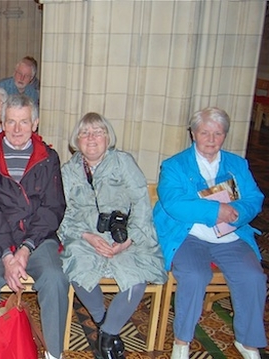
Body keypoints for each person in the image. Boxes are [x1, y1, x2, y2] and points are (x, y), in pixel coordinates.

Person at [153, 107, 266, 359]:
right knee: (194, 275)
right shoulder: (174, 165)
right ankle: (182, 341)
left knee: (253, 277)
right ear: (193, 134)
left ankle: (247, 342)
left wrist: (235, 213)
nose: (211, 140)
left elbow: (254, 199)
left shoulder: (237, 164)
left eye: (218, 133)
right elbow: (173, 202)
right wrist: (216, 211)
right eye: (205, 133)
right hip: (188, 234)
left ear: (225, 135)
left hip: (230, 235)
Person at [0, 94, 68, 359]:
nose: (17, 129)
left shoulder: (49, 158)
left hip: (36, 236)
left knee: (56, 279)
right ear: (2, 122)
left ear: (35, 123)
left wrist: (25, 248)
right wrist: (8, 254)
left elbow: (53, 207)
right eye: (11, 122)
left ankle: (54, 354)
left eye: (23, 122)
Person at [59, 112, 167, 359]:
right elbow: (62, 212)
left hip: (125, 235)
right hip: (85, 237)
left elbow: (141, 204)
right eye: (85, 133)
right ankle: (102, 319)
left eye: (98, 132)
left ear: (108, 137)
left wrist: (128, 241)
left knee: (136, 274)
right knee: (74, 265)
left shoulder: (123, 162)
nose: (91, 138)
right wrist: (87, 236)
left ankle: (107, 334)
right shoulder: (68, 171)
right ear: (76, 140)